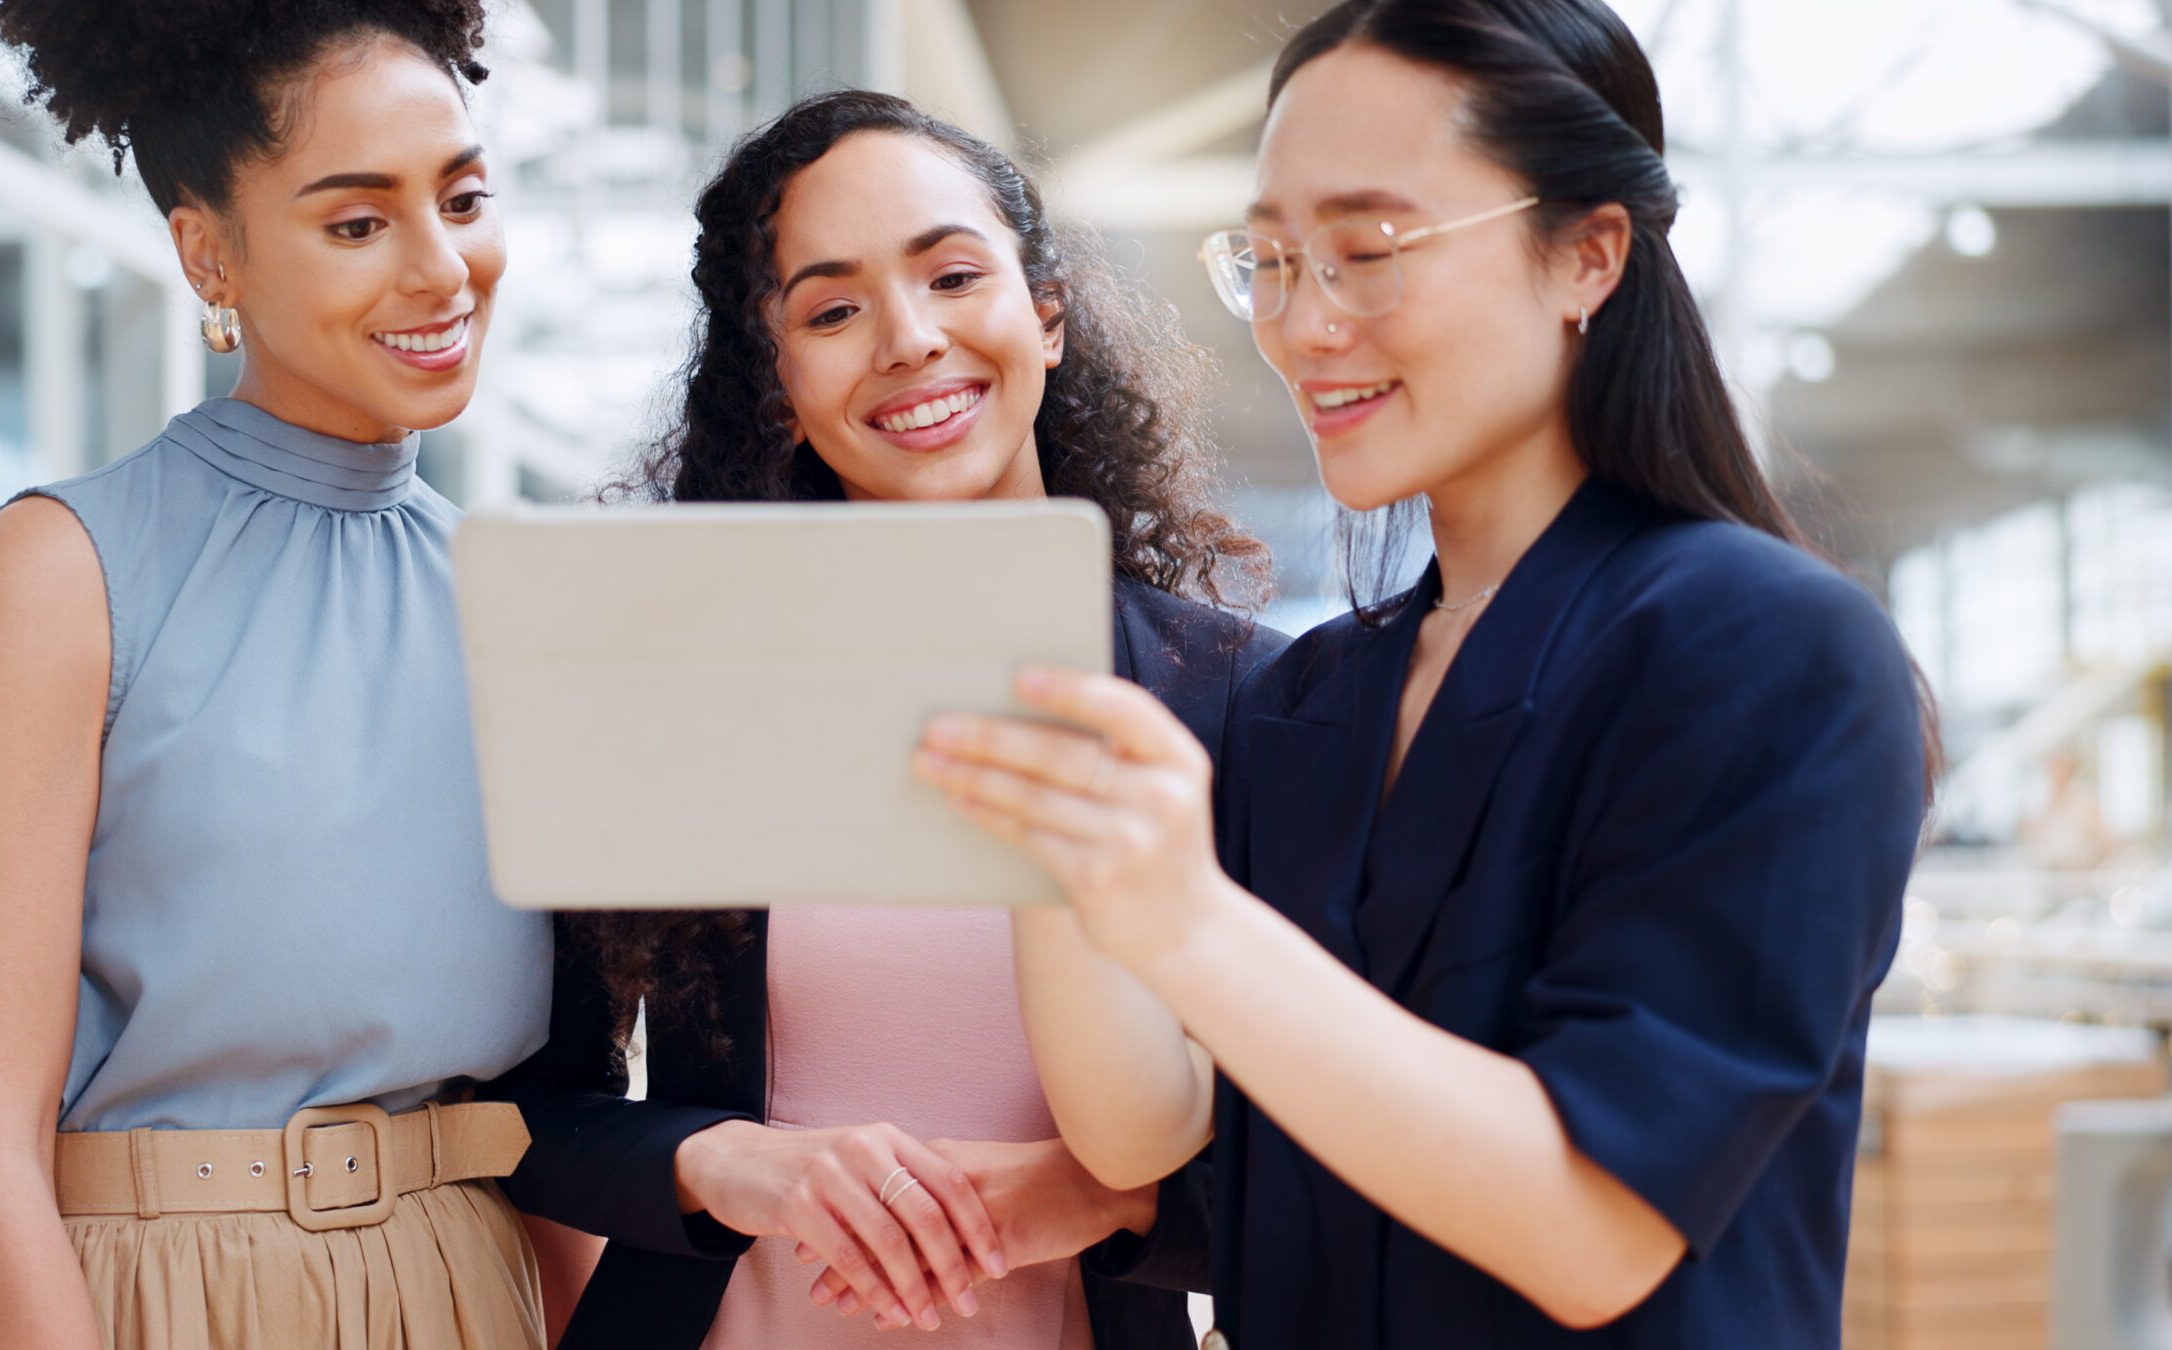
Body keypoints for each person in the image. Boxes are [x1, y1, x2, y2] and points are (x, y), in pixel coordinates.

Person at [910, 2, 1937, 1346]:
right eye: (1271, 258)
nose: (1302, 324)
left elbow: (1591, 1221)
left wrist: (1179, 916)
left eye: (1368, 249)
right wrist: (1122, 1201)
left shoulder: (1768, 653)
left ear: (1587, 254)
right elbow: (1343, 1151)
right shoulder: (1306, 700)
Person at [485, 91, 1282, 1350]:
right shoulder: (671, 693)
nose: (908, 340)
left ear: (1048, 314)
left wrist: (1098, 1196)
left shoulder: (1239, 695)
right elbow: (530, 1113)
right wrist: (728, 1164)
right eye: (832, 309)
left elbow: (1310, 1166)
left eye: (954, 275)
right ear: (780, 388)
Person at [0, 3, 549, 1346]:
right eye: (358, 223)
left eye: (465, 197)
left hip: (476, 1290)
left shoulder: (520, 598)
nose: (443, 268)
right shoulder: (59, 574)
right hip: (162, 1300)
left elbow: (564, 1106)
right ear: (210, 251)